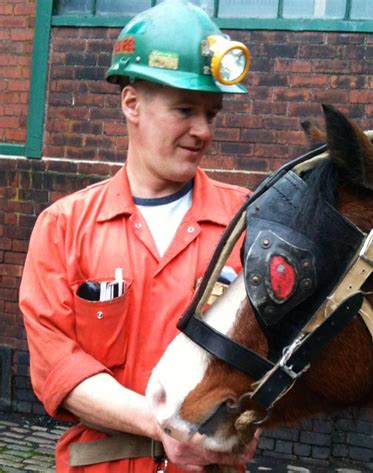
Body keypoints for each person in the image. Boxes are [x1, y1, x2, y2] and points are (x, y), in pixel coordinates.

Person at [19, 1, 256, 471]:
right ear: (131, 103)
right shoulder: (65, 227)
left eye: (212, 112)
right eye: (185, 109)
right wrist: (166, 426)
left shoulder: (249, 224)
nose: (202, 130)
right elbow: (56, 366)